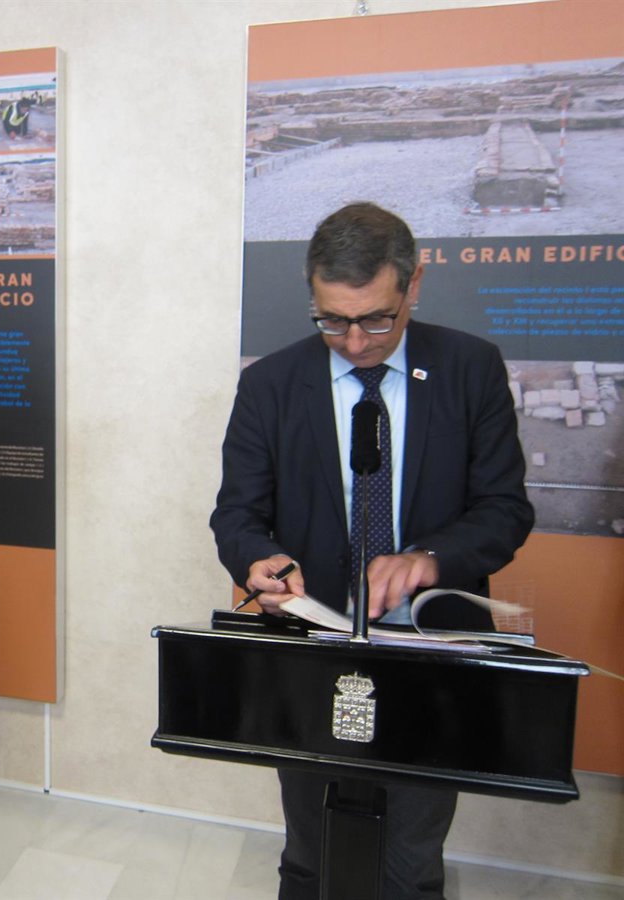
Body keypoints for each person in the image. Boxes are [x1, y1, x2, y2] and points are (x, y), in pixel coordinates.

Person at [210, 202, 534, 900]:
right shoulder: (270, 384)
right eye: (332, 321)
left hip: (433, 652)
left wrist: (430, 558)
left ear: (414, 284)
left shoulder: (471, 368)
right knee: (310, 851)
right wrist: (258, 559)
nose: (355, 342)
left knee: (410, 861)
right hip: (311, 652)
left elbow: (505, 510)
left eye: (377, 320)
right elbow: (237, 513)